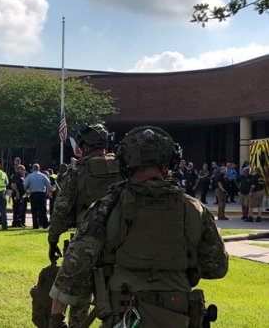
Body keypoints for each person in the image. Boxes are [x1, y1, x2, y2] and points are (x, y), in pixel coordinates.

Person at [48, 126, 229, 328]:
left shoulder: (107, 207)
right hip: (179, 315)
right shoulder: (194, 209)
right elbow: (217, 267)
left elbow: (74, 267)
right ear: (169, 163)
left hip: (125, 316)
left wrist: (56, 319)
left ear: (126, 162)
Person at [47, 123, 122, 327]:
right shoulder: (124, 167)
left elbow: (61, 210)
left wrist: (53, 240)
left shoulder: (79, 171)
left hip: (87, 241)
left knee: (77, 296)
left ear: (84, 145)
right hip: (123, 243)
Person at [24, 164, 52, 229]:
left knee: (34, 210)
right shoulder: (43, 176)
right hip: (42, 194)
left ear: (33, 168)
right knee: (43, 210)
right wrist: (48, 193)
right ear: (39, 168)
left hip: (33, 194)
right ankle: (45, 224)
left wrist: (27, 192)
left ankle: (35, 225)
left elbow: (25, 185)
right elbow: (48, 185)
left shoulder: (29, 176)